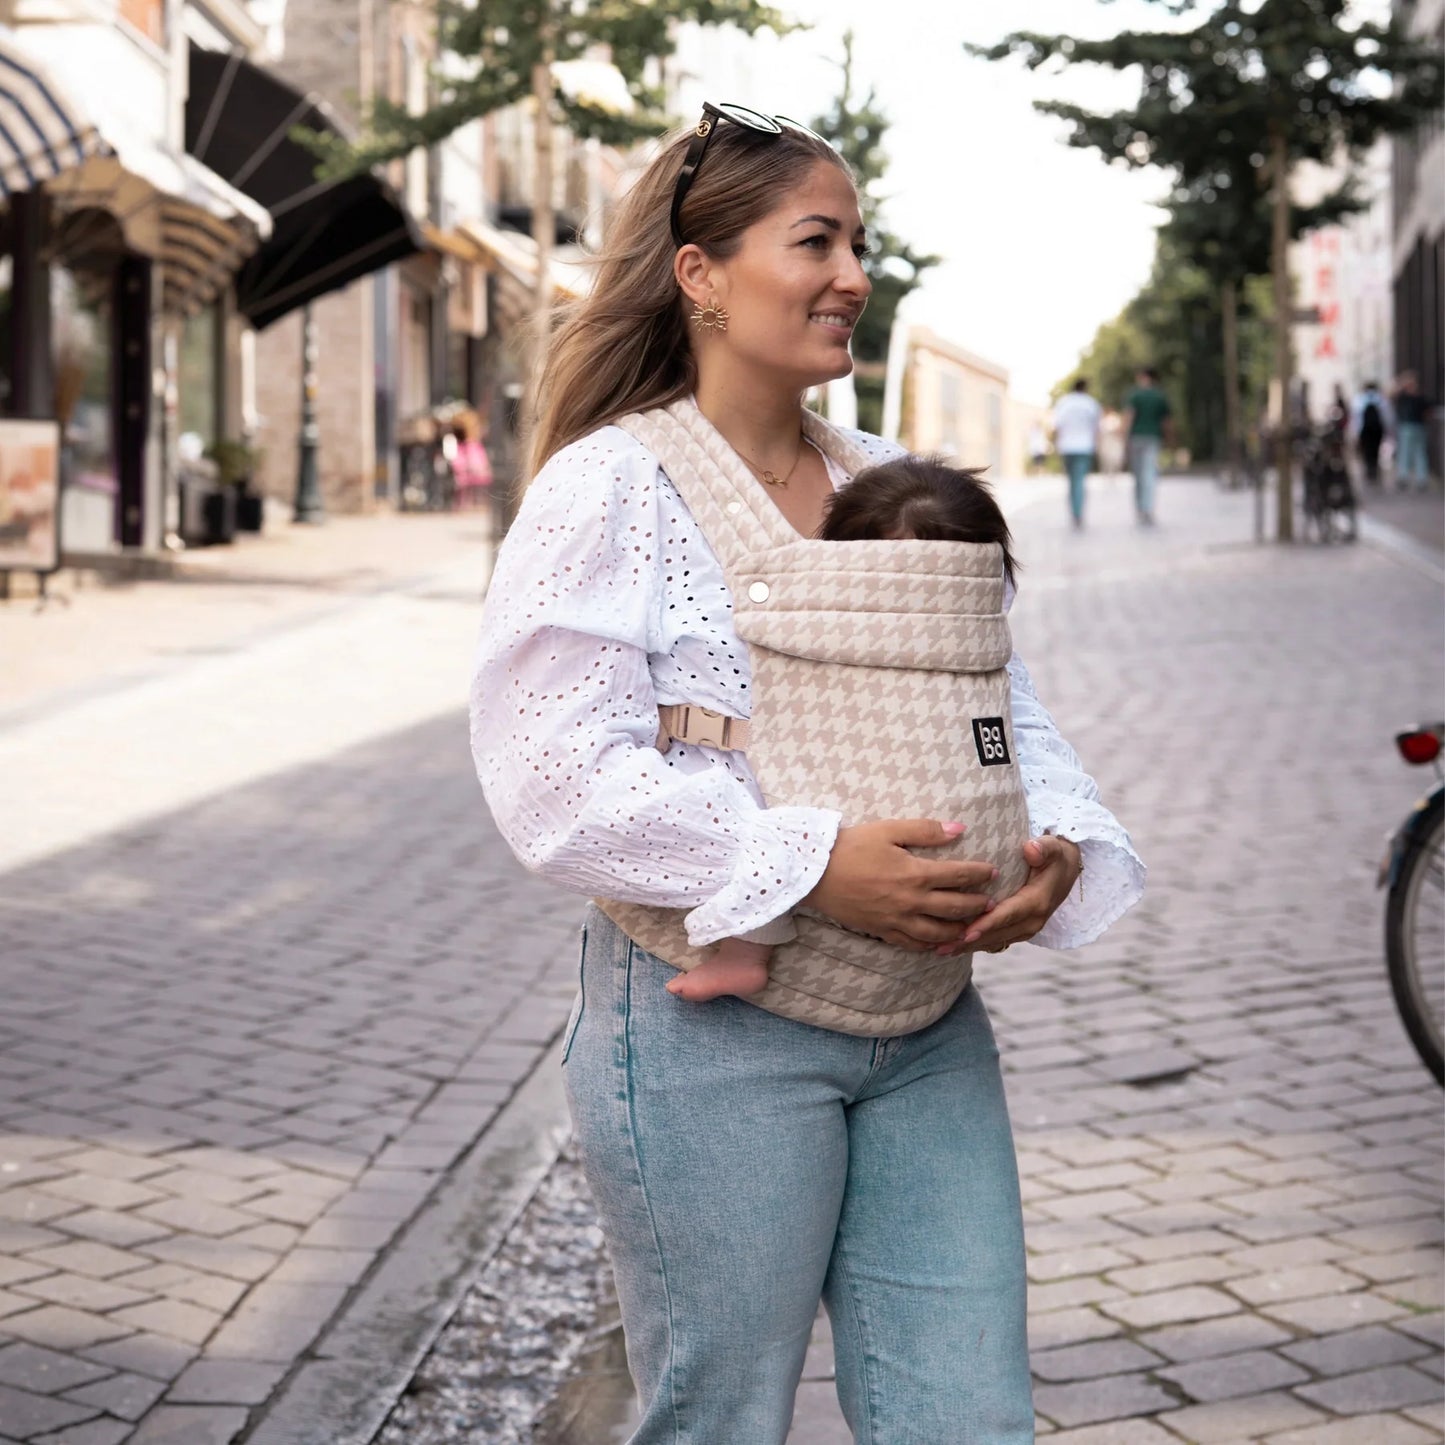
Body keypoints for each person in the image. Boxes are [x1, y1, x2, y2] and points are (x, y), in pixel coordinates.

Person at [470, 102, 1144, 1444]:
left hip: (926, 1023)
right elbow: (553, 779)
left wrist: (1052, 838)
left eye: (859, 243)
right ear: (700, 275)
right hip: (707, 1029)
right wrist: (813, 863)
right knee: (718, 1416)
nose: (854, 276)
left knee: (970, 1417)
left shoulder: (892, 478)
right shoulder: (612, 490)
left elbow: (999, 704)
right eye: (817, 241)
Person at [667, 453, 1022, 1004]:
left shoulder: (830, 628)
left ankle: (746, 950)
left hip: (871, 846)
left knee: (787, 809)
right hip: (994, 858)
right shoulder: (982, 637)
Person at [1051, 377, 1103, 528]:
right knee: (1080, 480)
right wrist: (1096, 446)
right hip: (1085, 447)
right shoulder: (1091, 403)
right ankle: (1078, 512)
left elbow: (1057, 426)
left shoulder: (1064, 402)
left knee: (1071, 481)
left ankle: (1074, 511)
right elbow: (1097, 429)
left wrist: (1056, 444)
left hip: (1067, 446)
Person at [1123, 367, 1172, 525]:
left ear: (1142, 377)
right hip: (1153, 437)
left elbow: (1129, 417)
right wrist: (1169, 439)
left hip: (1137, 437)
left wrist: (1125, 438)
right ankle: (1148, 507)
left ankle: (1140, 507)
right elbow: (1166, 422)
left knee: (1138, 474)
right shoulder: (1159, 396)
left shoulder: (1135, 395)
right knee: (1149, 472)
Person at [1393, 371, 1434, 492]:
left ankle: (1409, 477)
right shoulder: (1411, 396)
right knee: (1416, 453)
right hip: (1414, 426)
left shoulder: (1407, 397)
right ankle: (1416, 478)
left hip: (1411, 427)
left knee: (1411, 453)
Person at [1350, 379, 1392, 488]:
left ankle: (1369, 468)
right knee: (1375, 449)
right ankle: (1374, 467)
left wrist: (1354, 431)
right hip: (1377, 429)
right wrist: (1388, 429)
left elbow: (1355, 416)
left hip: (1364, 430)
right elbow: (1387, 415)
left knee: (1366, 450)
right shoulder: (1381, 398)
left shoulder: (1360, 398)